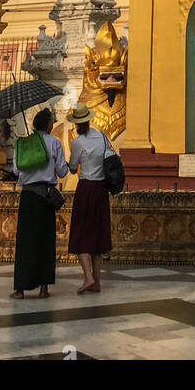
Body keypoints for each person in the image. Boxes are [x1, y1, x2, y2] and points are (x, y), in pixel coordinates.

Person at [11, 108, 68, 300]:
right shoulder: (54, 143)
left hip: (28, 196)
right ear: (48, 125)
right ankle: (44, 288)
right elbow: (61, 172)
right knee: (45, 241)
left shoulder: (23, 143)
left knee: (25, 242)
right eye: (52, 122)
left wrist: (31, 153)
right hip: (46, 197)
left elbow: (17, 170)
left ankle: (20, 288)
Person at [66, 101, 113, 294]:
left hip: (86, 188)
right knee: (97, 234)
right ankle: (98, 281)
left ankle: (88, 277)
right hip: (101, 188)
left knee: (81, 232)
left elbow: (72, 167)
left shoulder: (77, 142)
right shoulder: (102, 137)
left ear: (77, 124)